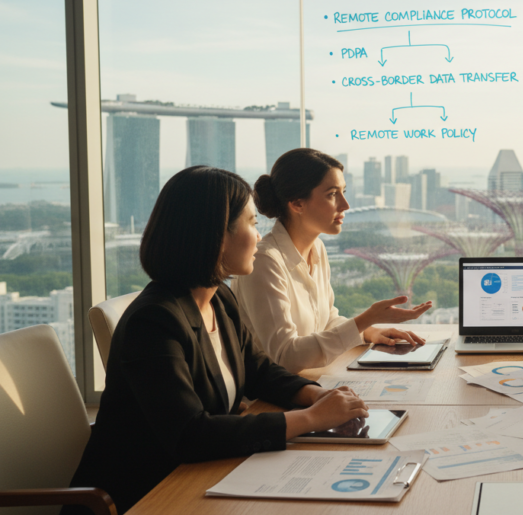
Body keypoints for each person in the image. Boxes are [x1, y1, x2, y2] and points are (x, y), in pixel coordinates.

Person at [64, 167, 369, 515]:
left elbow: (261, 372)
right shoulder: (153, 322)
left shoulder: (219, 299)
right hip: (147, 496)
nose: (259, 236)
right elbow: (190, 435)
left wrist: (320, 395)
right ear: (215, 236)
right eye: (252, 224)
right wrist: (312, 418)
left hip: (203, 478)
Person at [234, 149, 431, 373]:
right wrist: (365, 319)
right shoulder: (264, 262)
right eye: (332, 194)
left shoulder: (316, 248)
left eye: (343, 192)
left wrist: (368, 331)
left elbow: (326, 321)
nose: (345, 205)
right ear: (297, 203)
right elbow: (285, 356)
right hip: (269, 399)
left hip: (311, 382)